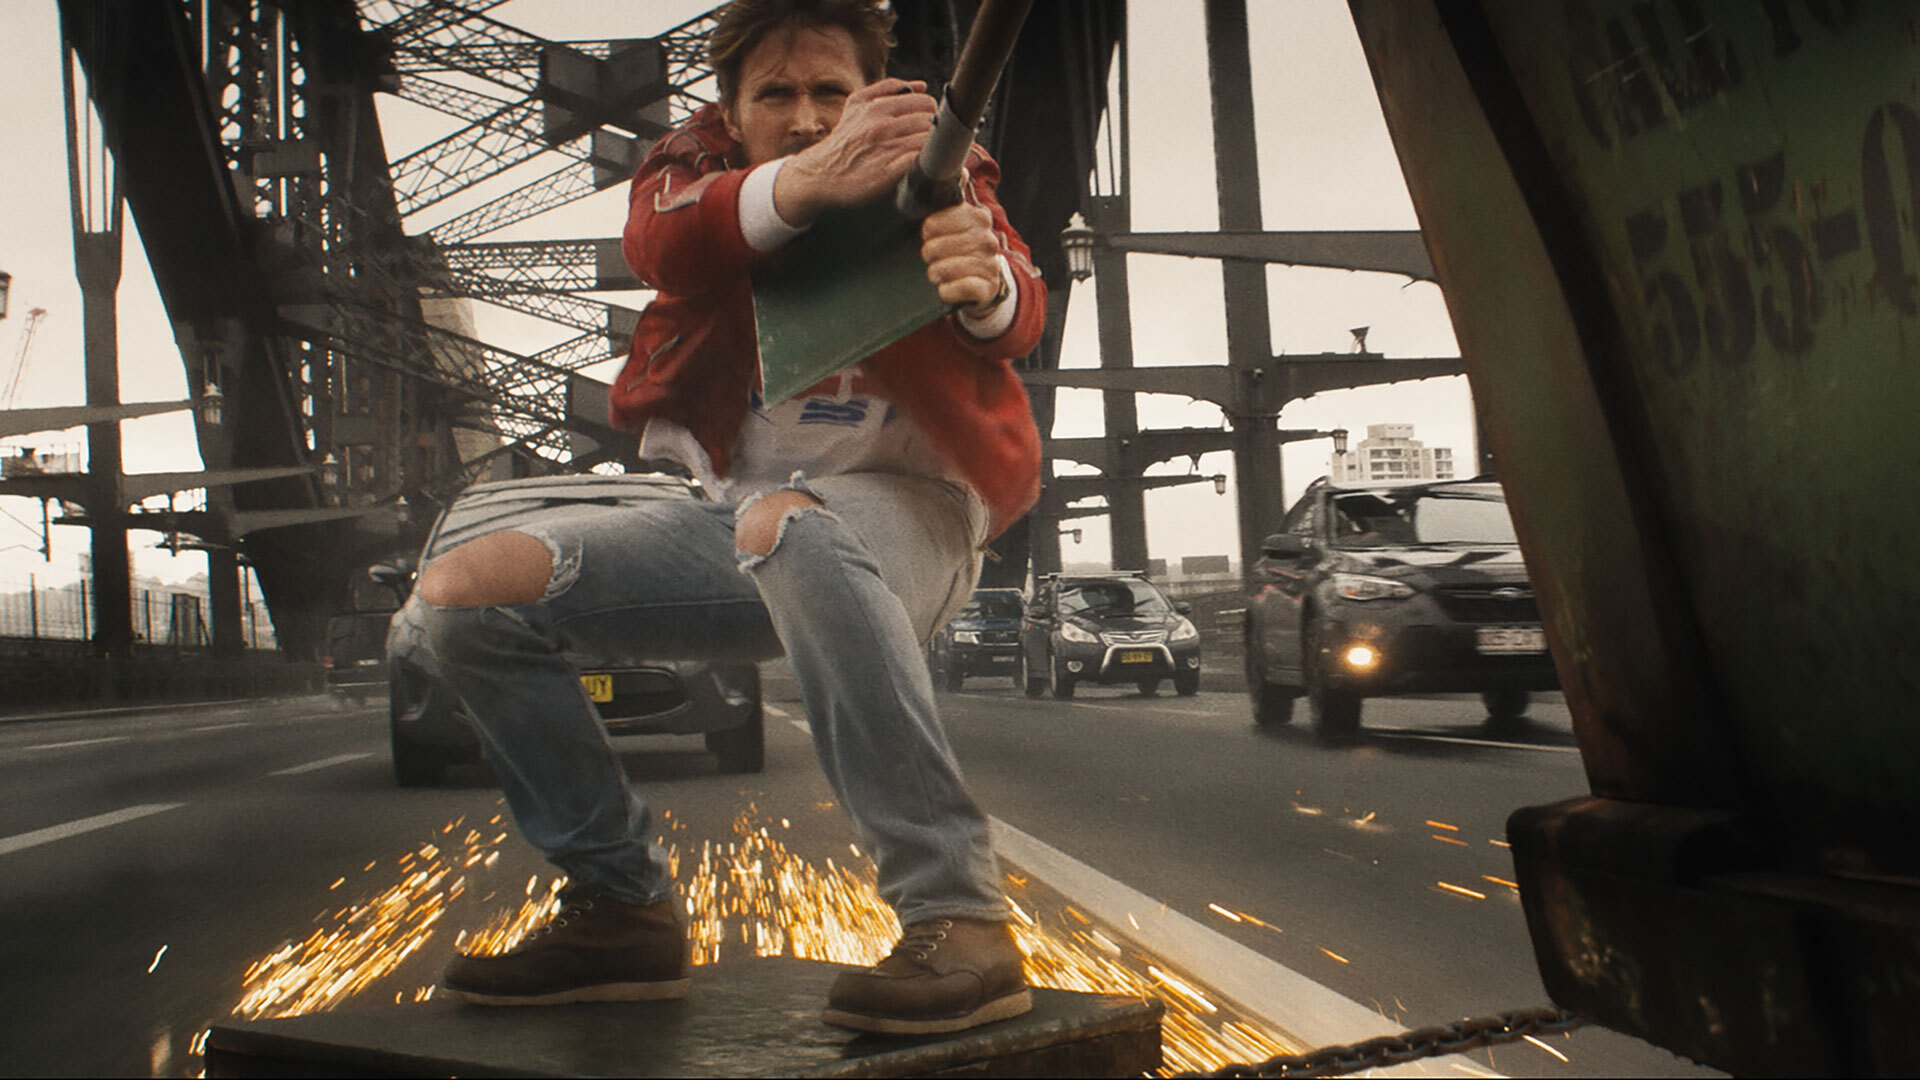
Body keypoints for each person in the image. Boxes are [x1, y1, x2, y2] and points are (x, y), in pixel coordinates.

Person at [406, 0, 1047, 1036]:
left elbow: (1015, 296)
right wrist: (808, 185)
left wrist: (983, 293)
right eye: (777, 96)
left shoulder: (935, 160)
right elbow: (663, 240)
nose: (805, 117)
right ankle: (620, 910)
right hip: (742, 528)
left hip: (908, 513)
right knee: (458, 600)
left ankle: (958, 916)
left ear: (867, 94)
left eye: (830, 92)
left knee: (792, 525)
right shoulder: (691, 175)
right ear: (732, 112)